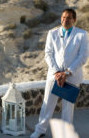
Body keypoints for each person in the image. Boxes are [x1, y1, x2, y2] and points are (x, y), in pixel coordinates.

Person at [30, 9, 89, 138]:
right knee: (47, 104)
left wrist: (67, 73)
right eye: (63, 17)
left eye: (68, 18)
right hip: (54, 75)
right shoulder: (52, 33)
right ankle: (40, 130)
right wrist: (57, 72)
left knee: (68, 108)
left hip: (72, 76)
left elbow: (83, 57)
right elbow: (48, 54)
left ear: (74, 20)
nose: (65, 20)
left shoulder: (82, 34)